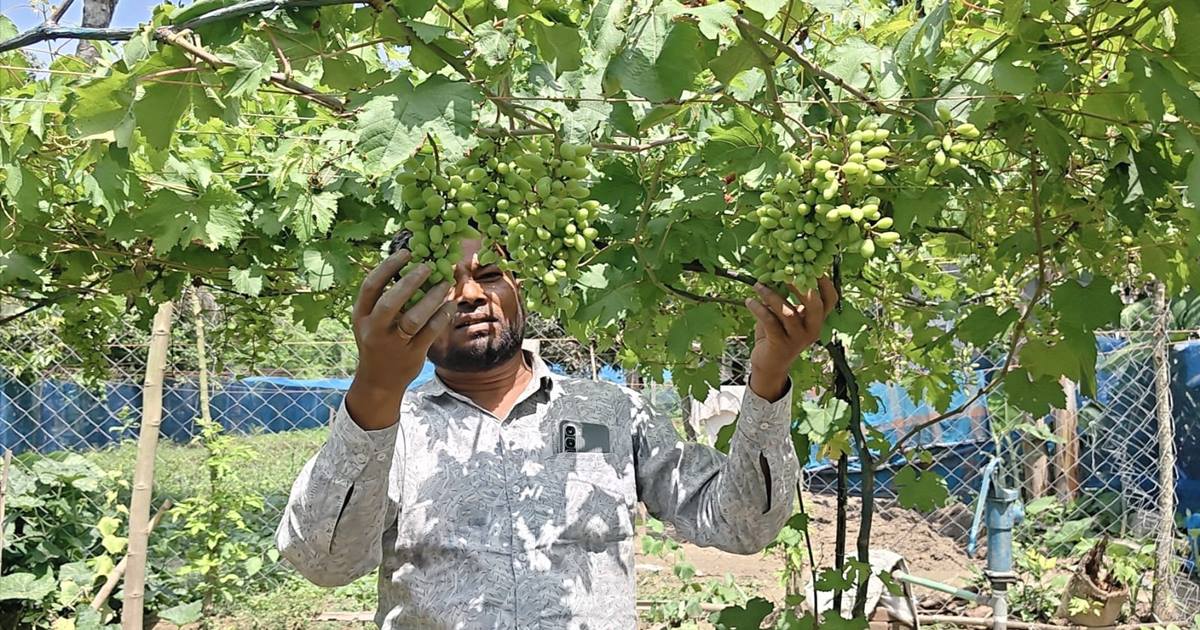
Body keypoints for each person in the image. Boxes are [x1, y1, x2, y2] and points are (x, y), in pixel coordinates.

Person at [276, 234, 838, 629]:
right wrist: (375, 388)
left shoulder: (613, 411)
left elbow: (740, 526)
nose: (470, 295)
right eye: (442, 285)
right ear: (408, 304)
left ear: (520, 289)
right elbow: (324, 564)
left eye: (490, 277)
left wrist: (767, 380)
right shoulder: (389, 428)